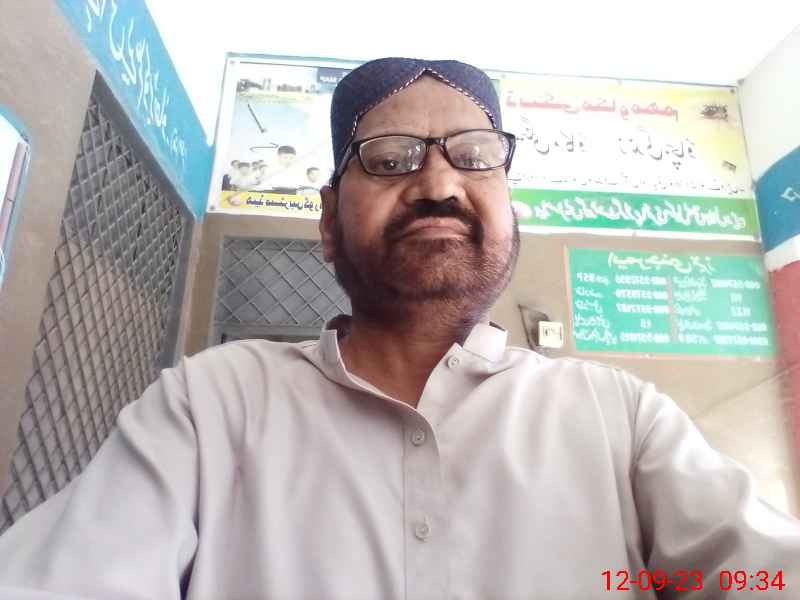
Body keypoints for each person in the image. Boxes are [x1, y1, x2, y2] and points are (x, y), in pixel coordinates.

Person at [0, 57, 798, 599]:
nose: (438, 184)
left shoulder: (619, 418)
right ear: (327, 221)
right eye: (389, 158)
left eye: (475, 155)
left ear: (510, 209)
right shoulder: (211, 406)